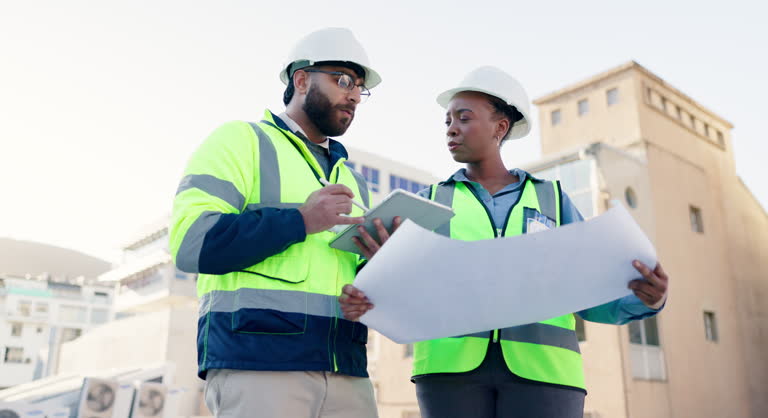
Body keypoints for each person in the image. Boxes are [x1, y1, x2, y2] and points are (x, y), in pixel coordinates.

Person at [340, 66, 669, 418]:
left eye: (464, 118)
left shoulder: (552, 201)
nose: (451, 128)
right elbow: (387, 286)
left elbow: (587, 289)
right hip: (449, 374)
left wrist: (647, 299)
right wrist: (371, 283)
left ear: (500, 127)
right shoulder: (428, 203)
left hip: (546, 373)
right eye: (448, 120)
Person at [169, 28, 394, 418]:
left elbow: (346, 281)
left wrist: (379, 265)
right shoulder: (241, 141)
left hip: (347, 368)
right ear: (301, 80)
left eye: (360, 87)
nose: (355, 95)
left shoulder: (354, 181)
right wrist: (300, 220)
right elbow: (192, 243)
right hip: (259, 363)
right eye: (343, 80)